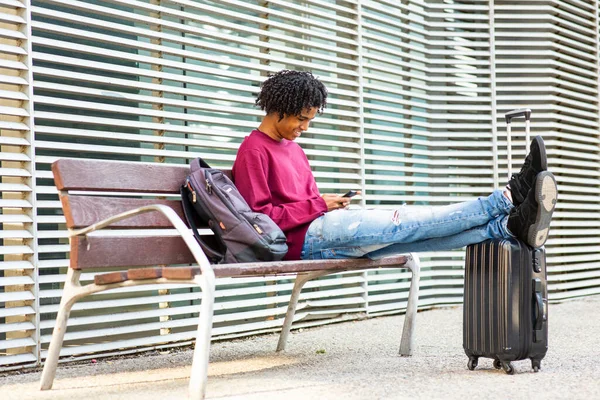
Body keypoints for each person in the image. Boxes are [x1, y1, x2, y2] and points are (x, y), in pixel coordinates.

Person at [232, 70, 558, 261]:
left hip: (322, 228)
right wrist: (319, 204)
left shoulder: (293, 149)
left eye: (310, 121)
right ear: (279, 109)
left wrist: (328, 204)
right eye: (302, 119)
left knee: (412, 237)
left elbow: (306, 204)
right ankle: (508, 197)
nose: (304, 128)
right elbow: (261, 220)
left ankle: (508, 227)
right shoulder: (253, 150)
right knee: (406, 222)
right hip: (300, 242)